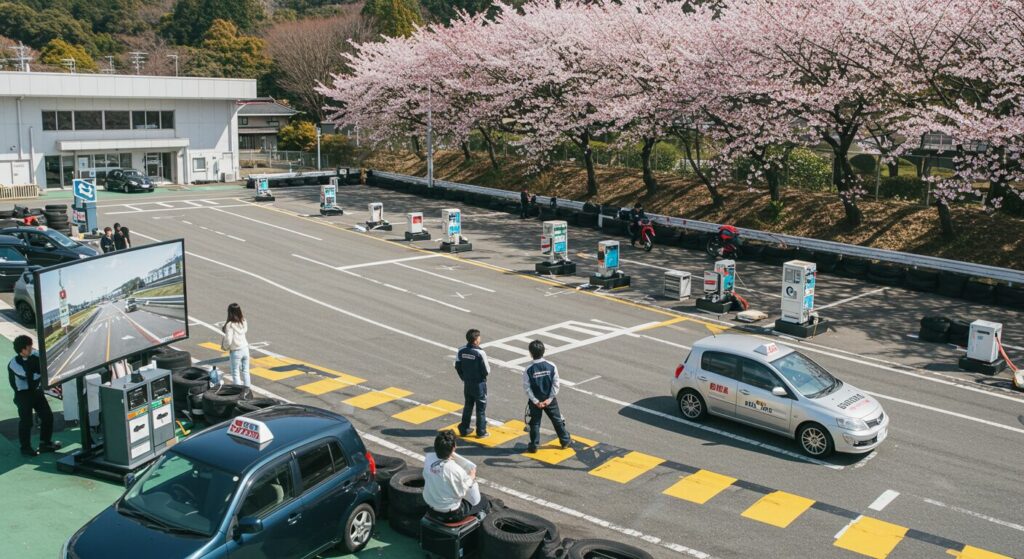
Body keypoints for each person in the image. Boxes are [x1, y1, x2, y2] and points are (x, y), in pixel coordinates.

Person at [8, 335, 61, 457]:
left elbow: (46, 361)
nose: (32, 348)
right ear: (22, 350)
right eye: (29, 347)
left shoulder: (34, 355)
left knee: (47, 416)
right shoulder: (14, 364)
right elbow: (30, 378)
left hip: (36, 393)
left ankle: (45, 444)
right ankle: (25, 447)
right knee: (26, 422)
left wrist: (41, 370)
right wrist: (41, 372)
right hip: (23, 396)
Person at [423, 430, 490, 523]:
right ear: (454, 447)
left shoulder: (428, 459)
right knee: (482, 502)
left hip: (430, 508)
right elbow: (464, 490)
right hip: (451, 514)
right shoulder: (456, 470)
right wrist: (472, 475)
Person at [523, 340, 571, 454]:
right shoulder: (551, 366)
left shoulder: (528, 369)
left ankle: (534, 446)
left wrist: (536, 401)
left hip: (535, 401)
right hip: (550, 399)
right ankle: (565, 441)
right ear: (543, 351)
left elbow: (527, 388)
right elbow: (556, 384)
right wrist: (549, 400)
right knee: (557, 420)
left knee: (534, 423)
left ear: (530, 353)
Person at [455, 329, 490, 438]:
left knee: (468, 405)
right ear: (475, 341)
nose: (480, 339)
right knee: (480, 409)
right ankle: (481, 431)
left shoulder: (461, 350)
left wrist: (464, 378)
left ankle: (464, 429)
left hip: (467, 383)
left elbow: (457, 366)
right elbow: (487, 370)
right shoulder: (480, 352)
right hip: (479, 384)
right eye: (479, 337)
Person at [220, 303, 250, 388]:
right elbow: (244, 331)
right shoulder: (243, 321)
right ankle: (247, 390)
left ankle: (238, 392)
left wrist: (225, 347)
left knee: (235, 372)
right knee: (246, 371)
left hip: (236, 351)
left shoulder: (230, 324)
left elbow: (228, 340)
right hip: (245, 348)